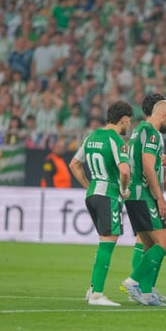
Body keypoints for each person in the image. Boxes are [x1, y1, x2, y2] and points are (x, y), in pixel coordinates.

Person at [69, 100, 132, 306]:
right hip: (109, 195)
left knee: (104, 241)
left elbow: (74, 164)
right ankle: (97, 295)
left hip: (93, 194)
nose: (129, 125)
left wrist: (89, 185)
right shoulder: (116, 140)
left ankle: (93, 287)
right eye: (129, 121)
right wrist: (124, 190)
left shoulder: (91, 136)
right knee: (108, 242)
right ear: (123, 119)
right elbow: (124, 171)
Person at [120, 100, 166, 306]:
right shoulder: (152, 134)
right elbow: (147, 166)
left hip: (133, 195)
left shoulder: (138, 131)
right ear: (164, 115)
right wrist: (160, 197)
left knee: (149, 245)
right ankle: (133, 281)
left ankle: (146, 292)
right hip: (143, 194)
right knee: (165, 243)